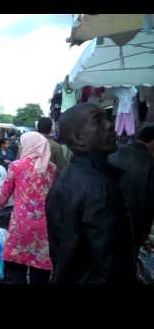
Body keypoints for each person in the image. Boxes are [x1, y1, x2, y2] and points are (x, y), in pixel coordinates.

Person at [45, 103, 137, 284]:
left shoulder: (66, 179)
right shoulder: (99, 186)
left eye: (106, 118)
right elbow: (110, 266)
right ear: (79, 138)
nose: (109, 125)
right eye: (98, 121)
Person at [0, 132, 57, 284]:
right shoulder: (52, 168)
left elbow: (2, 198)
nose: (21, 146)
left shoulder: (16, 166)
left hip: (21, 225)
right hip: (45, 226)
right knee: (41, 268)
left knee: (17, 265)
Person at [109, 125, 154, 257]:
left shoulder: (113, 152)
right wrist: (144, 233)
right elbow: (151, 203)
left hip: (104, 223)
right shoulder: (150, 162)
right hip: (133, 228)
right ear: (152, 141)